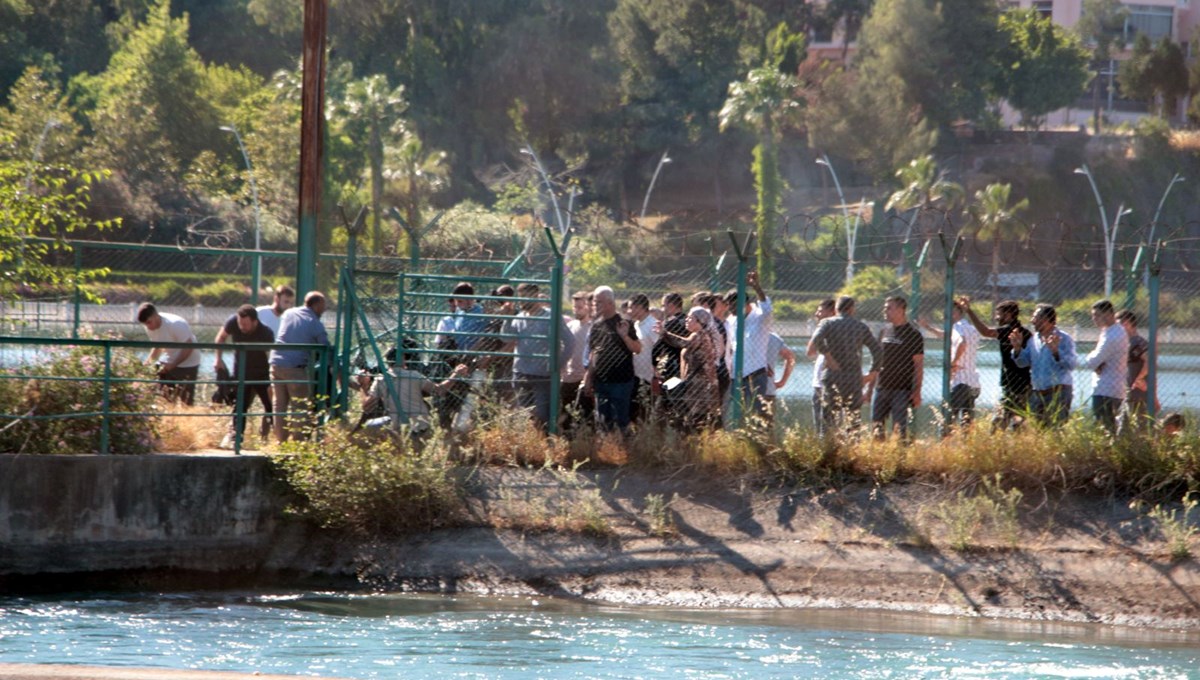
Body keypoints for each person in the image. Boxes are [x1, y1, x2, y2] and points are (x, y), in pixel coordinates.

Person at [359, 345, 468, 442]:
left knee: (369, 425)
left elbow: (367, 407)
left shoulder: (381, 379)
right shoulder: (414, 375)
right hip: (421, 425)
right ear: (403, 360)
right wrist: (455, 374)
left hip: (397, 426)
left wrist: (363, 386)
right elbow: (439, 391)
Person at [806, 296, 882, 436]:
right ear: (852, 309)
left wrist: (829, 357)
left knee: (828, 420)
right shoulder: (860, 327)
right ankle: (852, 451)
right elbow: (877, 351)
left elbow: (817, 339)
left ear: (836, 309)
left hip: (832, 375)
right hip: (853, 377)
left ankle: (827, 450)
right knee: (853, 420)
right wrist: (873, 372)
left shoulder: (827, 323)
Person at [504, 283, 574, 431]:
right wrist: (507, 316)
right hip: (520, 374)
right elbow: (505, 337)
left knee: (542, 416)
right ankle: (531, 447)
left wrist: (558, 364)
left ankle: (545, 446)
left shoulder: (551, 317)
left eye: (524, 297)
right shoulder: (519, 316)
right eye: (520, 297)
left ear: (534, 296)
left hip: (542, 376)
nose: (521, 301)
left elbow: (570, 341)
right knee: (525, 415)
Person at [960, 298, 1032, 430]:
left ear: (1008, 315)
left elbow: (986, 332)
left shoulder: (1010, 330)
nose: (996, 318)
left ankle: (997, 445)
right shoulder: (1025, 331)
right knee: (1016, 422)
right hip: (1022, 383)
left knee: (999, 423)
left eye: (999, 314)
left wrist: (969, 311)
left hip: (1015, 384)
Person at [269, 291, 331, 443]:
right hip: (295, 368)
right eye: (323, 307)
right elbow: (325, 347)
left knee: (279, 405)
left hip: (275, 363)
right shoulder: (314, 323)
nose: (323, 310)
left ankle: (281, 441)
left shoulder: (289, 313)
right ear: (316, 305)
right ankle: (298, 443)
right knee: (299, 406)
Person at [213, 305, 275, 449]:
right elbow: (221, 337)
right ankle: (235, 440)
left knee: (270, 406)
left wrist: (272, 380)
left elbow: (270, 356)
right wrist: (218, 359)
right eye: (240, 323)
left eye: (245, 324)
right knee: (240, 406)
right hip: (241, 373)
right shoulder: (233, 322)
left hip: (262, 374)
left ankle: (271, 440)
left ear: (255, 322)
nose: (242, 327)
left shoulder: (266, 333)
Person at [583, 285, 641, 432]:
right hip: (601, 381)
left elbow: (637, 348)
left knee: (620, 420)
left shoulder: (624, 323)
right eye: (595, 302)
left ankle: (623, 450)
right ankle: (607, 451)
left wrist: (624, 336)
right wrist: (588, 377)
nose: (595, 305)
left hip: (621, 381)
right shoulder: (596, 325)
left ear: (610, 303)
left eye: (599, 302)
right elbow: (594, 353)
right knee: (602, 421)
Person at [866, 296, 924, 440]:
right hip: (881, 388)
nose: (885, 310)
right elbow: (877, 362)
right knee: (876, 428)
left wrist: (917, 391)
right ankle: (879, 459)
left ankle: (899, 459)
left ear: (901, 310)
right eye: (885, 307)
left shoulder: (913, 334)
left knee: (899, 431)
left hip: (901, 390)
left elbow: (918, 365)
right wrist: (869, 389)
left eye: (889, 308)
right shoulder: (884, 331)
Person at [1009, 304, 1076, 427]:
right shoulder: (1033, 340)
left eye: (1036, 317)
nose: (1032, 321)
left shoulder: (1064, 338)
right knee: (1038, 429)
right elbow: (1023, 363)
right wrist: (1017, 349)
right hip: (1038, 393)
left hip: (1058, 393)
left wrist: (1056, 352)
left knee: (1056, 429)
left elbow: (1071, 364)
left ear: (1047, 319)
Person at [659, 307, 721, 431]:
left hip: (699, 385)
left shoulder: (699, 335)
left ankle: (698, 442)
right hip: (693, 383)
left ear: (699, 321)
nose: (686, 320)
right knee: (692, 417)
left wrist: (665, 333)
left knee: (697, 417)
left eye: (690, 318)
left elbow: (683, 343)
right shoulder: (697, 335)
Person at [921, 301, 981, 430]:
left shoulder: (958, 327)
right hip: (973, 381)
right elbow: (947, 336)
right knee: (967, 420)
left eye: (947, 312)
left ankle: (945, 444)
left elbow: (962, 343)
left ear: (955, 312)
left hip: (960, 381)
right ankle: (967, 445)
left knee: (948, 418)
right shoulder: (971, 328)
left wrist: (953, 363)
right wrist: (928, 327)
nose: (944, 315)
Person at [724, 271, 774, 423]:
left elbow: (767, 307)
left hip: (756, 374)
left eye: (733, 307)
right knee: (734, 414)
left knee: (757, 415)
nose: (730, 311)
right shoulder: (732, 321)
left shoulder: (760, 318)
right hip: (736, 376)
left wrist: (756, 287)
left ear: (743, 304)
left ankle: (757, 444)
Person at [137, 302, 201, 405]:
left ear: (155, 316)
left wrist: (172, 365)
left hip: (189, 362)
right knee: (163, 398)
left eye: (149, 322)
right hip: (169, 359)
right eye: (145, 324)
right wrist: (147, 365)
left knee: (186, 402)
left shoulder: (175, 324)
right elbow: (157, 347)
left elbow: (189, 346)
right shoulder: (150, 327)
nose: (148, 327)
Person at [1082, 299, 1128, 435]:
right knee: (1110, 428)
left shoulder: (1112, 336)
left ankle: (1109, 453)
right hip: (1114, 387)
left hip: (1106, 389)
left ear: (1108, 314)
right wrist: (1097, 361)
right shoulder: (1114, 331)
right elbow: (1098, 361)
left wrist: (1092, 358)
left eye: (1097, 315)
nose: (1093, 319)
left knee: (1104, 429)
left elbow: (1092, 362)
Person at [560, 291, 594, 432]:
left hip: (584, 379)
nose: (576, 310)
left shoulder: (593, 328)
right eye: (574, 307)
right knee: (565, 416)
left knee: (585, 418)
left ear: (588, 307)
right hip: (568, 377)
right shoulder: (571, 326)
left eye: (580, 307)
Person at [1116, 310, 1149, 431]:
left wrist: (1139, 378)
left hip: (1136, 391)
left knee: (1139, 424)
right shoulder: (1126, 343)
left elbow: (1149, 361)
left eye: (1119, 324)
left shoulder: (1138, 343)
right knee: (1123, 425)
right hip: (1128, 391)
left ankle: (1143, 447)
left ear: (1128, 323)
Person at [628, 293, 659, 423]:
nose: (629, 311)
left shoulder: (653, 325)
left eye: (632, 308)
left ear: (640, 307)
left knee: (645, 413)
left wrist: (656, 375)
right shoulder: (636, 325)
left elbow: (659, 349)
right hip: (636, 375)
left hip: (648, 377)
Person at [809, 299, 836, 434]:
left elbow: (810, 350)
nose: (817, 314)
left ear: (832, 312)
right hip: (818, 383)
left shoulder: (837, 331)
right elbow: (810, 352)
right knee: (818, 425)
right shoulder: (822, 331)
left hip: (830, 383)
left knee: (830, 426)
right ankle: (822, 449)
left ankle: (831, 449)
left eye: (820, 311)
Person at [762, 331, 796, 429]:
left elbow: (790, 358)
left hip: (743, 387)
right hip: (768, 389)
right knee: (767, 428)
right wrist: (782, 381)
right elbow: (790, 357)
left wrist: (782, 381)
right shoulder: (773, 338)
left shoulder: (739, 332)